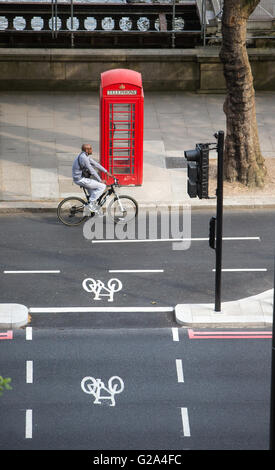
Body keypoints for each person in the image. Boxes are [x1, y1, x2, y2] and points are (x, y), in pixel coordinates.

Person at [72, 144, 113, 213]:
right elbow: (92, 170)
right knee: (102, 186)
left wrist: (106, 172)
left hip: (80, 178)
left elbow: (96, 164)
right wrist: (100, 180)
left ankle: (90, 210)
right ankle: (90, 205)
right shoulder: (84, 158)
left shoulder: (85, 155)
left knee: (94, 193)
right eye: (90, 148)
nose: (92, 150)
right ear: (86, 150)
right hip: (80, 179)